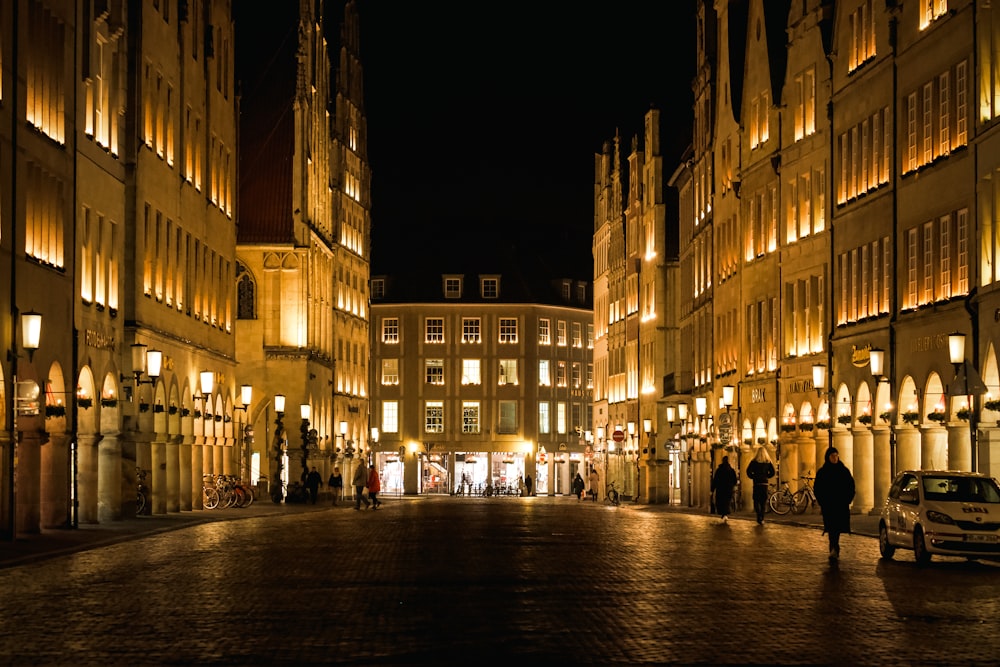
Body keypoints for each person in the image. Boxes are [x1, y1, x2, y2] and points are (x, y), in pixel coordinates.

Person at [813, 446, 856, 560]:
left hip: (841, 504)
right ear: (828, 457)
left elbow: (851, 486)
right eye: (832, 456)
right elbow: (818, 488)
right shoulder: (823, 472)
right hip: (828, 505)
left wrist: (848, 499)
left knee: (836, 527)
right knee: (831, 527)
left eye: (836, 455)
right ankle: (834, 548)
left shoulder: (843, 471)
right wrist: (822, 501)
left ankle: (834, 548)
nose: (835, 458)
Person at [746, 447, 775, 524]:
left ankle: (758, 515)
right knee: (763, 501)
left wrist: (753, 476)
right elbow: (773, 472)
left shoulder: (754, 462)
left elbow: (748, 471)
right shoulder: (768, 462)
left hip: (757, 483)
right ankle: (762, 517)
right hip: (764, 483)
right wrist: (766, 476)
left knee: (756, 499)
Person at [711, 455, 738, 524]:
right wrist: (733, 485)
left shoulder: (719, 470)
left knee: (721, 501)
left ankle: (723, 514)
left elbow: (715, 480)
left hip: (720, 488)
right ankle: (725, 514)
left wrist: (712, 489)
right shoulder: (731, 470)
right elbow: (735, 480)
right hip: (728, 488)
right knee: (727, 501)